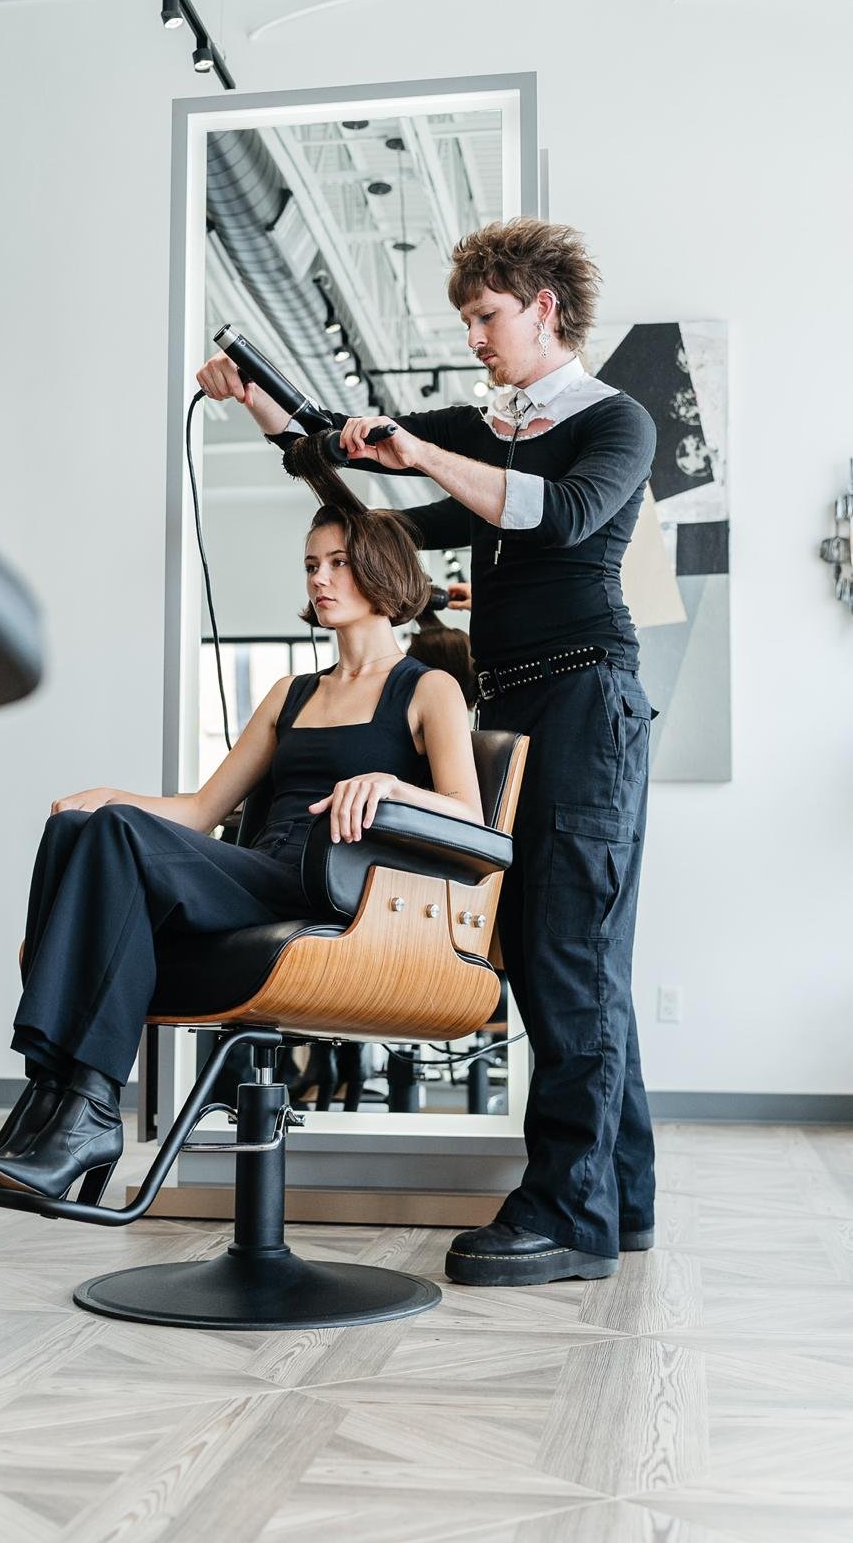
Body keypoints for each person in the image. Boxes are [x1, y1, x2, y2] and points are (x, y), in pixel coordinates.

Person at [198, 216, 658, 1287]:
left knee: (568, 955)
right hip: (512, 706)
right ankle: (618, 1197)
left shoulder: (614, 421)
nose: (477, 339)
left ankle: (568, 1215)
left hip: (588, 701)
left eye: (488, 317)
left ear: (545, 308)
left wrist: (429, 451)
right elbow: (367, 499)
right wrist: (265, 401)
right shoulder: (482, 429)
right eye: (468, 321)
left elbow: (560, 515)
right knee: (565, 956)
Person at [0, 502, 483, 1201]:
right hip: (260, 869)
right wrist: (119, 795)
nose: (319, 580)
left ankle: (83, 1111)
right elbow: (202, 811)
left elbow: (471, 819)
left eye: (337, 564)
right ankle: (55, 1098)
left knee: (109, 834)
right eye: (311, 566)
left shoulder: (428, 687)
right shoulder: (290, 694)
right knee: (78, 827)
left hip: (334, 887)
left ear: (382, 571)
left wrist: (392, 786)